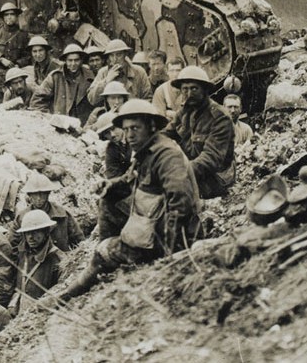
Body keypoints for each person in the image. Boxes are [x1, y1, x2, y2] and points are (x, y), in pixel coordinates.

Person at [59, 100, 201, 300]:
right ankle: (115, 253)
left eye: (135, 128)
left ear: (151, 126)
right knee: (108, 200)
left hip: (170, 239)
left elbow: (181, 203)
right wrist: (111, 184)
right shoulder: (147, 151)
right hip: (153, 225)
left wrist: (167, 256)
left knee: (102, 253)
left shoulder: (167, 156)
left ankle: (66, 295)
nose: (130, 135)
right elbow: (129, 178)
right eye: (126, 129)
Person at [166, 66, 235, 198]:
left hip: (216, 177)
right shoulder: (185, 111)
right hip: (192, 169)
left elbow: (210, 159)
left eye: (194, 88)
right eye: (185, 89)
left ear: (204, 90)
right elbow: (166, 134)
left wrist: (178, 173)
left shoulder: (219, 117)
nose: (189, 94)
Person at [9, 209, 65, 317]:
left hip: (42, 315)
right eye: (27, 233)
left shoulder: (58, 259)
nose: (30, 237)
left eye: (36, 231)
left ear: (46, 232)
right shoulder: (22, 254)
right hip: (21, 314)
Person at [10, 172, 83, 252]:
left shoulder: (62, 215)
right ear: (29, 195)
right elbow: (12, 245)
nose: (39, 198)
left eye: (42, 194)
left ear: (48, 194)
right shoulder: (22, 217)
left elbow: (79, 241)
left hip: (60, 260)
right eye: (35, 194)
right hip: (34, 262)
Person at [31, 44, 95, 123]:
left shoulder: (89, 76)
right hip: (62, 123)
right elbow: (37, 100)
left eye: (76, 60)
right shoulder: (55, 76)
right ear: (65, 61)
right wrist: (49, 118)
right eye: (70, 60)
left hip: (83, 123)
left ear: (81, 61)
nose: (73, 64)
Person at [87, 39, 151, 106]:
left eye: (118, 55)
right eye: (111, 55)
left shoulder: (139, 72)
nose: (115, 59)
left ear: (125, 54)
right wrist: (106, 81)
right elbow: (92, 99)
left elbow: (148, 98)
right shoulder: (103, 72)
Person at [0, 2, 30, 80]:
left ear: (16, 16)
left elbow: (27, 56)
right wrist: (1, 59)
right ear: (3, 17)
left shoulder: (22, 35)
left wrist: (18, 64)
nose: (9, 17)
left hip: (12, 73)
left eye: (12, 14)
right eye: (6, 15)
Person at [94, 111, 131, 180]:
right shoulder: (111, 149)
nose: (112, 135)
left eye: (113, 128)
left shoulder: (135, 137)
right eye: (107, 133)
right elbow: (113, 176)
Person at [152, 57, 184, 121]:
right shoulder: (161, 90)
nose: (175, 74)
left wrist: (171, 114)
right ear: (167, 72)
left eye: (178, 70)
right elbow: (159, 117)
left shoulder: (189, 89)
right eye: (172, 70)